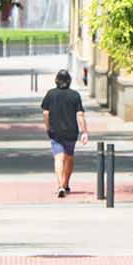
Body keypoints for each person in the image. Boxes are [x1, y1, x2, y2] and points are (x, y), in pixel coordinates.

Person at [41, 69, 87, 198]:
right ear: (69, 81)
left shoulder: (50, 94)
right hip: (71, 132)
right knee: (69, 157)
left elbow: (45, 112)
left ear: (56, 81)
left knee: (58, 158)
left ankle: (60, 185)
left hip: (55, 131)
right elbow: (80, 114)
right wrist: (84, 132)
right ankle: (66, 183)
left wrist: (48, 127)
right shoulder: (75, 95)